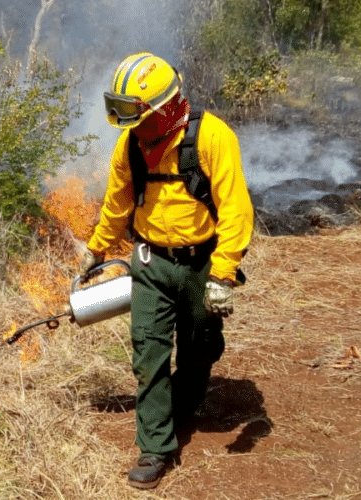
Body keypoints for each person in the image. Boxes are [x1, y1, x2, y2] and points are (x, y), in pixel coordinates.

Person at [77, 52, 254, 490]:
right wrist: (96, 250)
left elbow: (236, 210)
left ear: (165, 108)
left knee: (200, 346)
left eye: (135, 114)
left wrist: (223, 274)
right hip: (150, 264)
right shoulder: (131, 144)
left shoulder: (212, 137)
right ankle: (156, 446)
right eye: (121, 113)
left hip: (201, 264)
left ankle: (187, 396)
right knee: (148, 352)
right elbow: (118, 202)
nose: (127, 124)